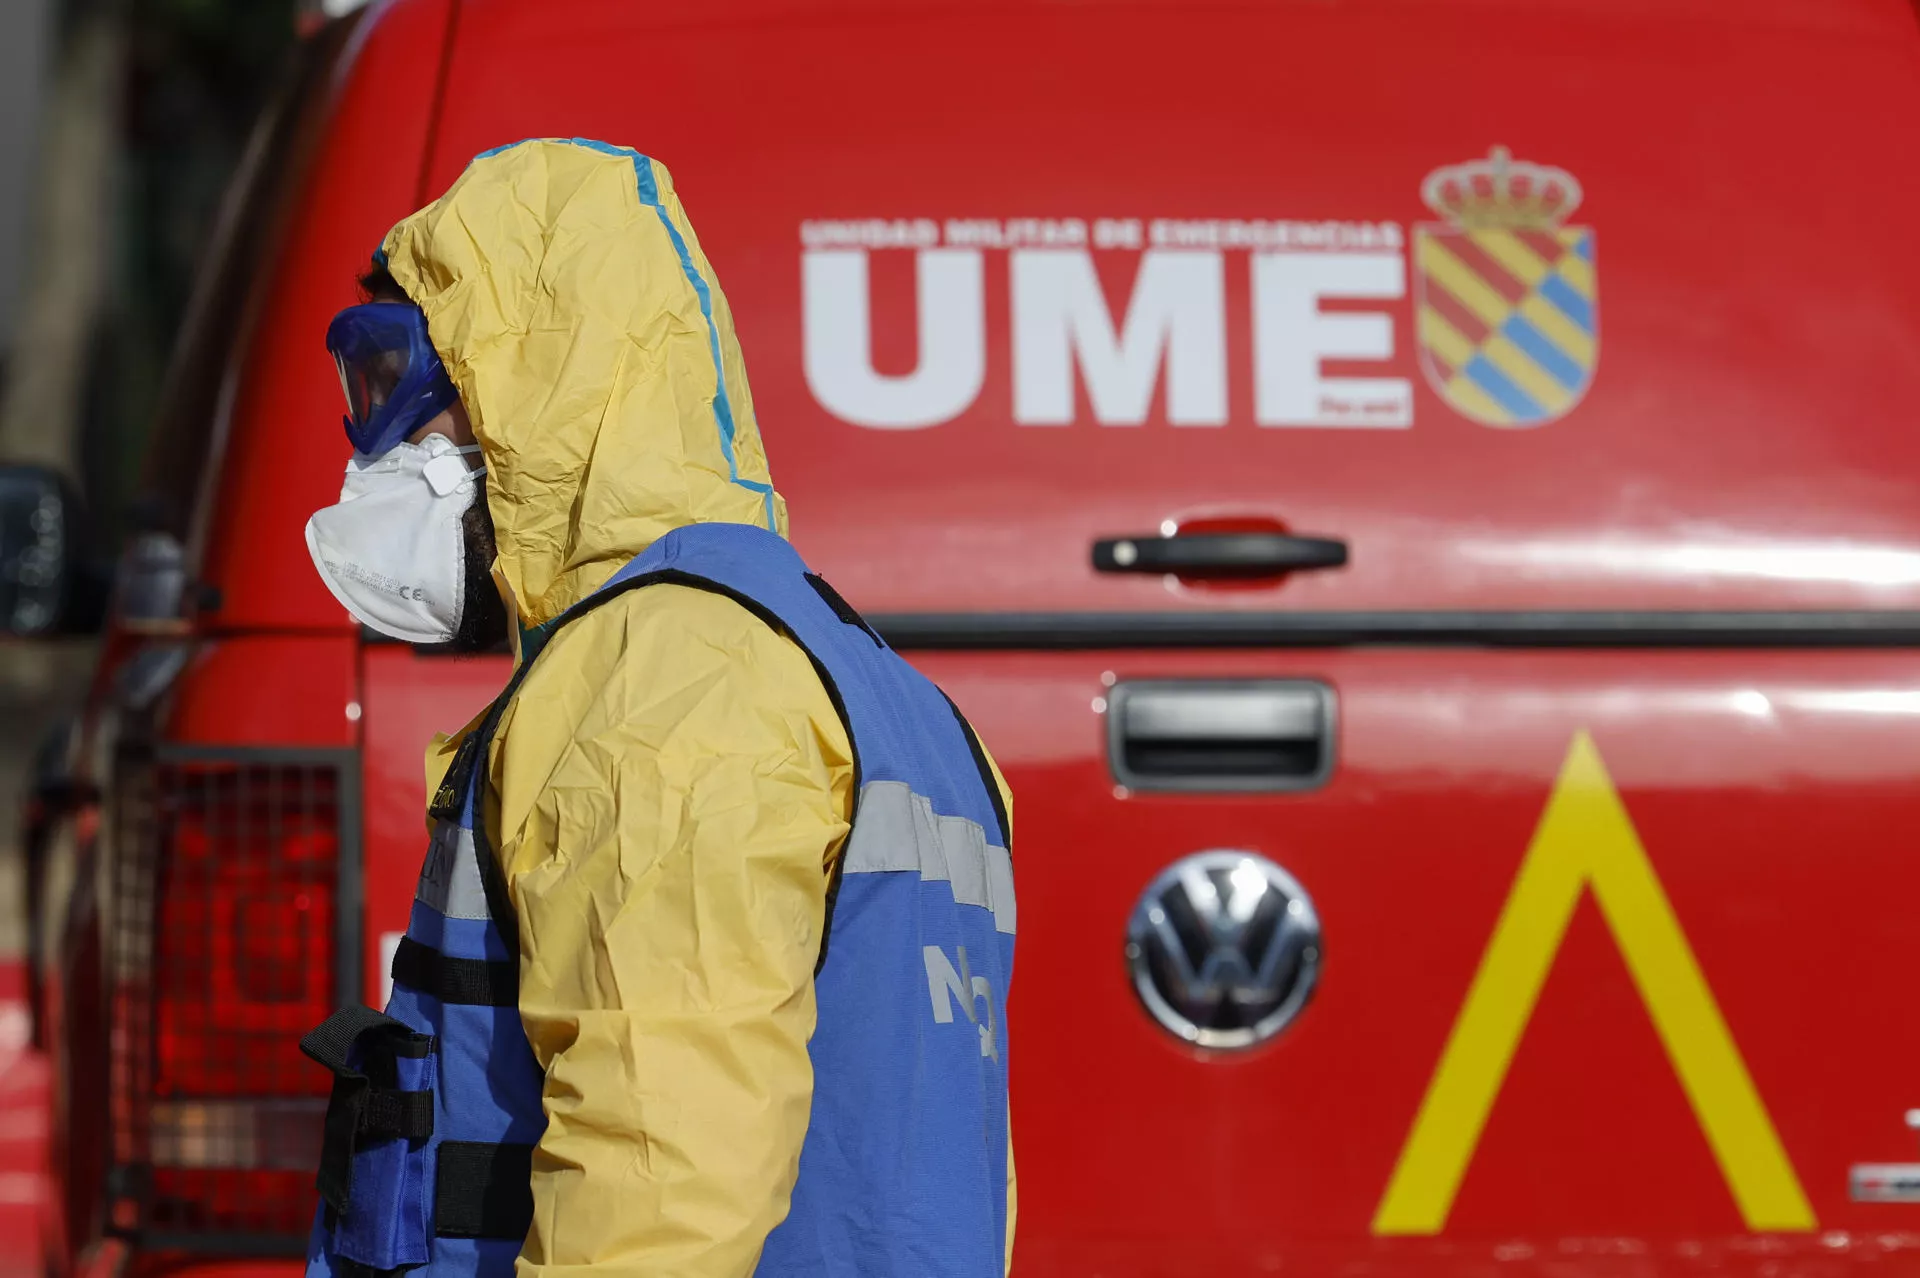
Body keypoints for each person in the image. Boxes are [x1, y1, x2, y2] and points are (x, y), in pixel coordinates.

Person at [297, 139, 1015, 1278]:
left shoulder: (662, 692)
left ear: (518, 384)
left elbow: (659, 1191)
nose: (384, 441)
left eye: (403, 384)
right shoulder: (880, 690)